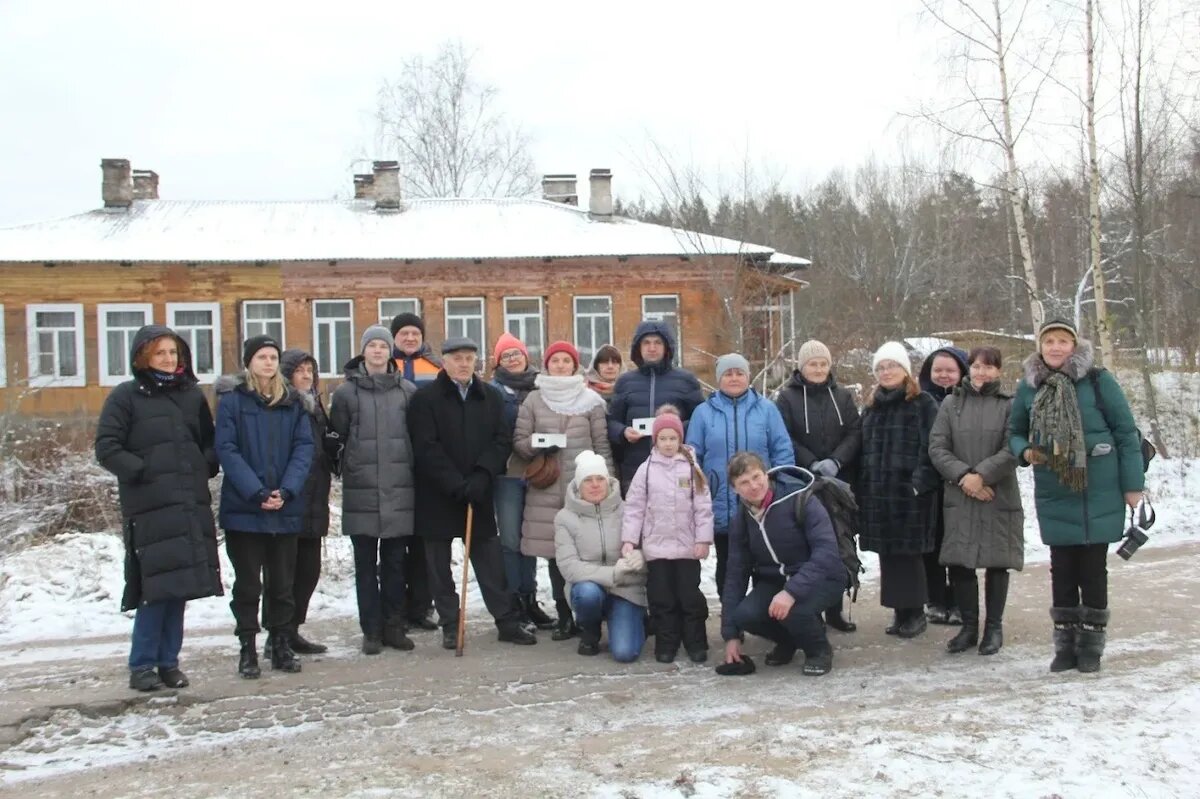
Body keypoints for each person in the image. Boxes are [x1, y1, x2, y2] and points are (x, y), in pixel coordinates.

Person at [1009, 320, 1144, 673]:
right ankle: (1064, 648)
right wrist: (1024, 451)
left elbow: (1127, 435)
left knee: (1094, 570)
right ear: (1040, 345)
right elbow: (1015, 432)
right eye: (1049, 341)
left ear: (1075, 345)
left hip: (1098, 488)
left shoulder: (1099, 382)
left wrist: (1133, 487)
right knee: (1062, 570)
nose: (1055, 347)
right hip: (1055, 489)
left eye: (1063, 341)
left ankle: (1091, 648)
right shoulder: (1029, 387)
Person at [95, 325, 222, 692]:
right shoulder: (126, 397)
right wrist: (143, 471)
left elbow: (209, 441)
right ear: (143, 357)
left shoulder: (190, 396)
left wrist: (205, 464)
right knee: (155, 588)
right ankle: (142, 665)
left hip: (187, 502)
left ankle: (169, 662)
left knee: (179, 587)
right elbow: (107, 447)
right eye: (161, 353)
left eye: (173, 353)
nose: (169, 359)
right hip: (150, 506)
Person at [408, 336, 537, 648]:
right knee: (438, 566)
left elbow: (501, 440)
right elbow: (426, 446)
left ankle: (505, 620)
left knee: (489, 560)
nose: (464, 364)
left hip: (478, 491)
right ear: (444, 361)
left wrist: (482, 474)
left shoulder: (489, 397)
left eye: (469, 358)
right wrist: (454, 482)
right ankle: (451, 622)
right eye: (457, 358)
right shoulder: (425, 399)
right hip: (437, 493)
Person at [215, 335, 314, 678]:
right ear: (249, 362)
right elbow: (227, 449)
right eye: (261, 357)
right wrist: (257, 492)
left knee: (283, 584)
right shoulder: (233, 402)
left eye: (273, 357)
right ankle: (248, 649)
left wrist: (286, 490)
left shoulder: (293, 402)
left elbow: (304, 449)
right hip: (245, 510)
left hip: (285, 508)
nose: (269, 363)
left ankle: (281, 644)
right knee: (248, 585)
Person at [512, 340, 613, 641]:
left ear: (574, 365)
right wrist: (539, 444)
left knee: (586, 551)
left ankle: (589, 614)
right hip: (545, 488)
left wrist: (608, 483)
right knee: (556, 556)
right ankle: (564, 616)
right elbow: (519, 441)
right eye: (554, 360)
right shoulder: (533, 399)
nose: (559, 366)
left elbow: (602, 445)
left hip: (583, 490)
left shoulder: (591, 400)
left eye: (565, 361)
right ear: (546, 365)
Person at [329, 326, 419, 654]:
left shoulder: (407, 391)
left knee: (396, 564)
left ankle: (394, 626)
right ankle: (371, 630)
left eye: (383, 345)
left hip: (399, 489)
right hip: (362, 490)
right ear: (363, 351)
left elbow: (416, 439)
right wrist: (347, 465)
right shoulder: (345, 394)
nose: (378, 351)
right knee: (365, 565)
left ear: (390, 352)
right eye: (373, 346)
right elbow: (336, 440)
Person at [929, 347, 1023, 656]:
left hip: (997, 492)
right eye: (976, 366)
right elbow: (938, 447)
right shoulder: (950, 403)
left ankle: (993, 628)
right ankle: (968, 627)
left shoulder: (1011, 405)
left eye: (989, 367)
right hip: (960, 492)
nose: (981, 372)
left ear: (998, 371)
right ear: (968, 369)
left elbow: (1014, 448)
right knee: (961, 562)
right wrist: (966, 477)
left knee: (998, 562)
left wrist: (982, 476)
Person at [720, 453, 846, 677]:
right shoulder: (742, 518)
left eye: (756, 477)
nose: (753, 486)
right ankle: (789, 641)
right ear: (734, 489)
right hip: (776, 579)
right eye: (744, 483)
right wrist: (731, 635)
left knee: (794, 610)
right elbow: (736, 573)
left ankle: (818, 650)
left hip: (823, 577)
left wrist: (791, 592)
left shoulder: (800, 499)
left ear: (766, 474)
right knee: (745, 615)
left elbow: (826, 552)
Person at [686, 353, 793, 597]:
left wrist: (778, 488)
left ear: (747, 376)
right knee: (729, 565)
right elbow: (692, 459)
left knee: (765, 565)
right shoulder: (703, 413)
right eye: (728, 373)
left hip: (761, 503)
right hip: (721, 502)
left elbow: (782, 450)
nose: (734, 378)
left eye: (739, 373)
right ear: (719, 378)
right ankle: (732, 619)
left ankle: (764, 616)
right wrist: (700, 494)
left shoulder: (767, 409)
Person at [774, 339, 862, 632]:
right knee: (808, 549)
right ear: (802, 366)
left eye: (823, 363)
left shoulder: (843, 397)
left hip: (837, 483)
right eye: (813, 364)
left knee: (838, 546)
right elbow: (785, 435)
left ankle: (835, 609)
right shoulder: (787, 398)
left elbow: (854, 432)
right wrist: (811, 462)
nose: (819, 369)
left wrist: (836, 461)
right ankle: (811, 612)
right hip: (804, 483)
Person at [858, 341, 941, 639]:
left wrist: (919, 483)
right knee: (889, 556)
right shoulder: (872, 408)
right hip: (880, 495)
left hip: (910, 495)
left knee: (909, 555)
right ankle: (899, 611)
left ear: (905, 369)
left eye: (891, 365)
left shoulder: (923, 403)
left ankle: (916, 612)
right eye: (880, 367)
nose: (886, 371)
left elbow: (932, 446)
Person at [621, 407, 714, 663]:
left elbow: (703, 507)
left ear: (680, 439)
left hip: (686, 548)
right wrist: (630, 539)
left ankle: (695, 642)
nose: (668, 443)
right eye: (663, 438)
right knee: (661, 599)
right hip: (657, 548)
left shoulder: (692, 467)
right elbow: (634, 506)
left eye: (673, 438)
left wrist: (702, 539)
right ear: (655, 440)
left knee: (689, 597)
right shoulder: (646, 469)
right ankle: (666, 643)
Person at [261, 349, 336, 655]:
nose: (306, 376)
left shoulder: (315, 405)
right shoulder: (281, 405)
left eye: (310, 371)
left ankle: (292, 629)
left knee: (308, 570)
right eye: (300, 370)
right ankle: (276, 634)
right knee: (282, 573)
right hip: (289, 499)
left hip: (315, 499)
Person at [554, 450, 649, 662]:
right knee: (587, 593)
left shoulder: (628, 511)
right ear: (579, 485)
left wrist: (642, 556)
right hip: (590, 588)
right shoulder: (565, 518)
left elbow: (652, 546)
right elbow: (570, 567)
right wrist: (613, 572)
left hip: (626, 589)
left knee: (625, 653)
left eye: (600, 479)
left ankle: (636, 620)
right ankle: (590, 631)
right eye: (588, 480)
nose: (595, 485)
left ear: (608, 481)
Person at [489, 331, 553, 631]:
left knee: (531, 540)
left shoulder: (543, 387)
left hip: (540, 471)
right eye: (506, 355)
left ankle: (530, 600)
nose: (512, 359)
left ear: (526, 356)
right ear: (497, 361)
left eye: (516, 353)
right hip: (508, 474)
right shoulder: (492, 391)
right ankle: (513, 601)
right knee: (511, 540)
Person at [607, 321, 704, 496]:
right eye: (646, 343)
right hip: (635, 468)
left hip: (676, 466)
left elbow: (701, 419)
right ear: (638, 348)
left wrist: (677, 429)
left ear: (667, 347)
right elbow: (612, 421)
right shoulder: (625, 381)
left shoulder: (686, 380)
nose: (652, 348)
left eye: (658, 342)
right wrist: (623, 432)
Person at [389, 312, 440, 631]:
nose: (410, 338)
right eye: (404, 333)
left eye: (415, 333)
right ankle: (396, 609)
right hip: (393, 464)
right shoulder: (382, 365)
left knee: (425, 543)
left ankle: (421, 606)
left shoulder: (435, 369)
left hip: (426, 465)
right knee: (396, 545)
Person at [919, 345, 971, 626]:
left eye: (950, 370)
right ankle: (935, 599)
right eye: (937, 370)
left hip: (962, 481)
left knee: (959, 544)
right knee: (933, 543)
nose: (943, 375)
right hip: (930, 483)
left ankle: (960, 601)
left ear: (962, 371)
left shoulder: (970, 400)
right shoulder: (919, 400)